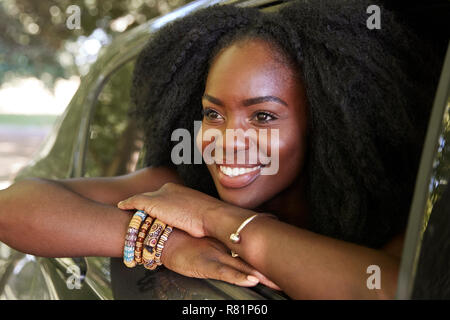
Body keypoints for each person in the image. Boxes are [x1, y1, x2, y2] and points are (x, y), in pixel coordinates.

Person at [0, 0, 445, 299]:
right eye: (213, 114)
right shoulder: (180, 183)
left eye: (263, 116)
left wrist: (221, 220)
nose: (227, 140)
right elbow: (13, 206)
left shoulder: (398, 211)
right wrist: (166, 244)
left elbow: (393, 289)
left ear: (324, 126)